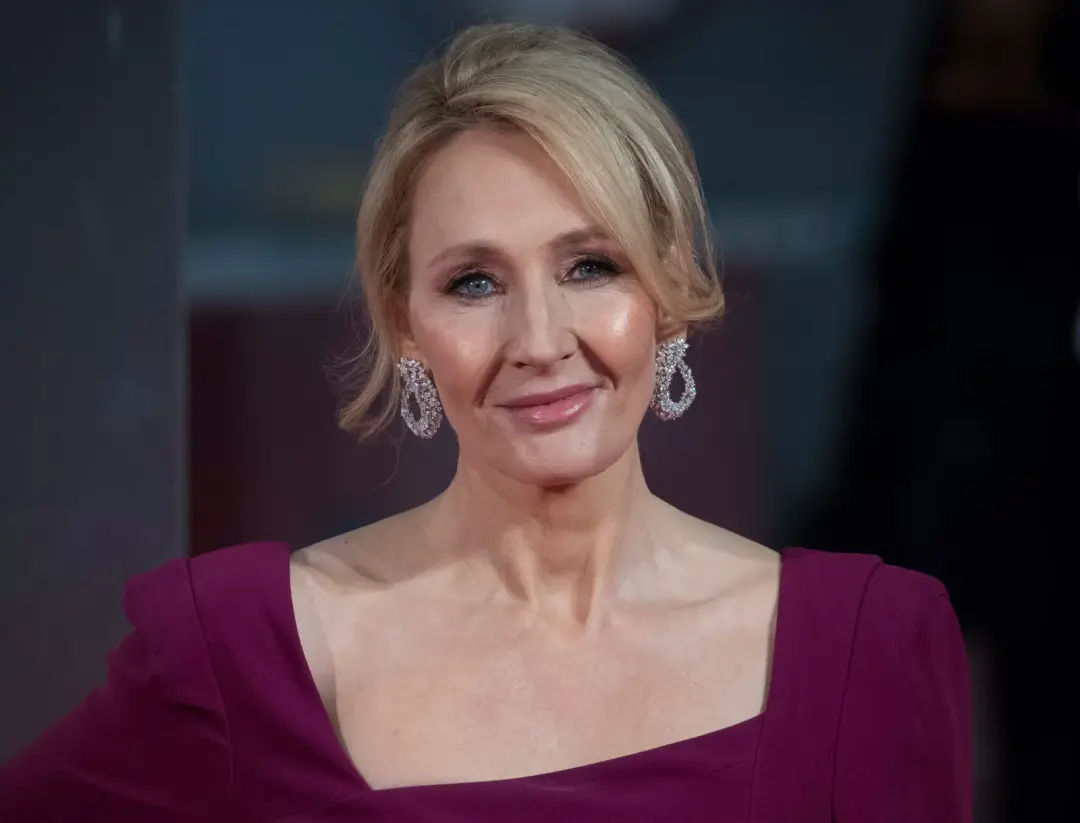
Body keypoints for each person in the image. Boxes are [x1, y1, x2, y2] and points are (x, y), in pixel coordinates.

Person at [0, 22, 971, 822]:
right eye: (474, 282)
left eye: (590, 266)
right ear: (404, 323)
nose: (539, 340)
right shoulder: (249, 653)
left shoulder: (866, 653)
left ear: (668, 290)